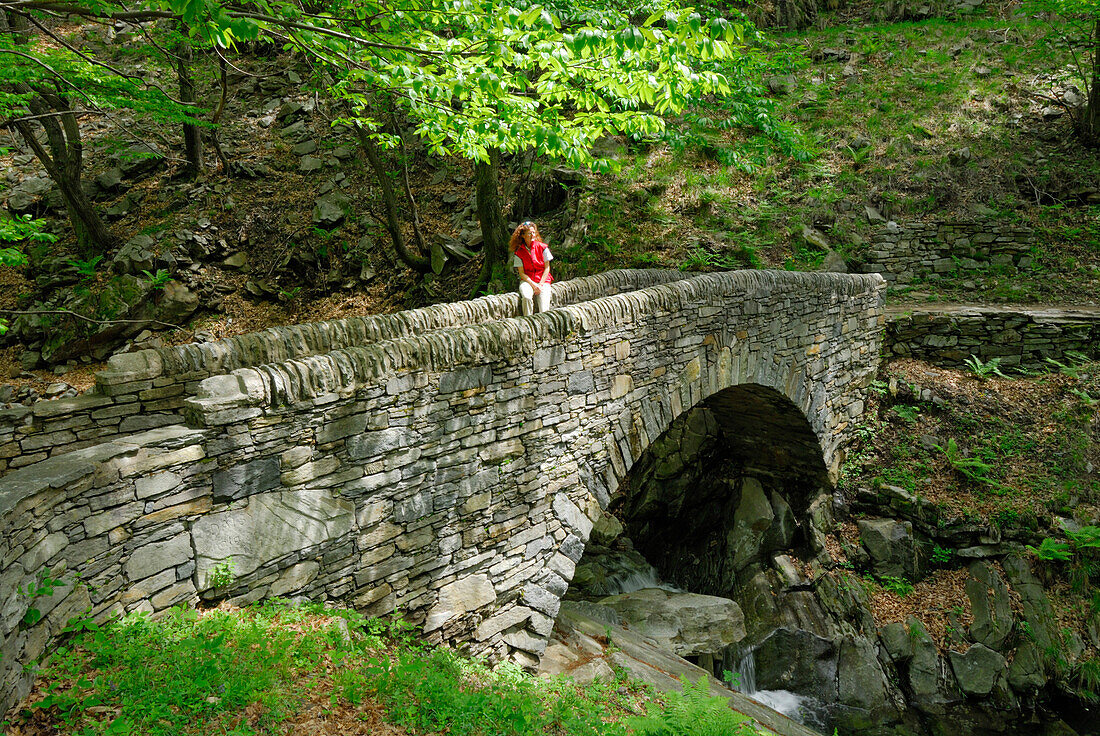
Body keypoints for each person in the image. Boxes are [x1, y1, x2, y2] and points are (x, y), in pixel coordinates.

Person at [511, 220, 554, 316]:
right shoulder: (519, 252)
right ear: (523, 235)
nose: (533, 235)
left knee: (544, 308)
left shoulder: (543, 248)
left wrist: (540, 284)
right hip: (527, 281)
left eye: (534, 232)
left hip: (543, 281)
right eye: (530, 233)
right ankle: (528, 321)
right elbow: (521, 273)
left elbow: (547, 268)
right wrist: (533, 284)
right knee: (526, 297)